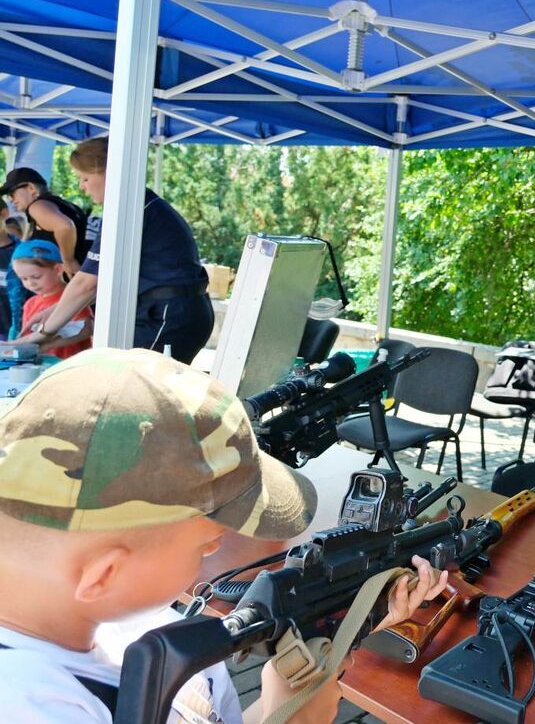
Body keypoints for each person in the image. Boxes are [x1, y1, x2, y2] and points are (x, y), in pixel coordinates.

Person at [0, 347, 449, 722]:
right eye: (206, 544)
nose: (217, 549)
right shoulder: (34, 706)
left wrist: (353, 626)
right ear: (102, 574)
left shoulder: (134, 627)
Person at [16, 138, 215, 364]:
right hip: (175, 312)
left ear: (107, 172)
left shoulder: (127, 209)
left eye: (85, 178)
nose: (82, 186)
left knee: (132, 389)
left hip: (167, 315)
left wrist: (42, 333)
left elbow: (87, 284)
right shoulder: (140, 204)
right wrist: (53, 312)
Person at [1, 165, 90, 277]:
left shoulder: (37, 206)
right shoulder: (65, 205)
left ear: (31, 188)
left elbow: (64, 227)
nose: (10, 200)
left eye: (12, 194)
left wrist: (68, 260)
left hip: (70, 277)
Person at [10, 240, 93, 358]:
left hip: (70, 364)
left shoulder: (74, 297)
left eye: (36, 277)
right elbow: (28, 337)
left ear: (58, 269)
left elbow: (85, 330)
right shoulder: (30, 304)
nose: (31, 283)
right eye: (24, 279)